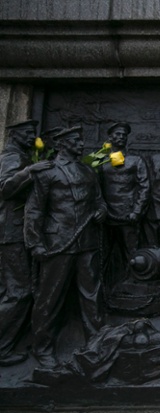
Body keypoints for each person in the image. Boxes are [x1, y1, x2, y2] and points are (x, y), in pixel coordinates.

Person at [24, 125, 107, 368]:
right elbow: (34, 210)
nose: (80, 145)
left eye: (80, 140)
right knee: (50, 297)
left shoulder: (87, 170)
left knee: (92, 295)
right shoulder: (47, 172)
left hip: (86, 242)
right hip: (58, 244)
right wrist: (35, 244)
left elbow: (99, 200)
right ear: (61, 144)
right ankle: (43, 348)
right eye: (75, 141)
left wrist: (102, 211)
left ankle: (97, 343)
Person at [0, 120, 53, 366]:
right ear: (14, 134)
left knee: (22, 290)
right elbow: (5, 188)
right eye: (28, 133)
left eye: (34, 132)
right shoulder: (11, 156)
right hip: (11, 233)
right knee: (19, 292)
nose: (33, 136)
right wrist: (31, 171)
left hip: (20, 233)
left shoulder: (22, 154)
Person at [99, 122, 149, 273]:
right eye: (117, 134)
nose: (121, 137)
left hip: (128, 216)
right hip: (107, 216)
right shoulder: (100, 161)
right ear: (110, 137)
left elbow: (144, 187)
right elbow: (96, 188)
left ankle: (133, 285)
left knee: (131, 254)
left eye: (124, 135)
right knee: (103, 255)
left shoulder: (136, 161)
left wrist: (137, 211)